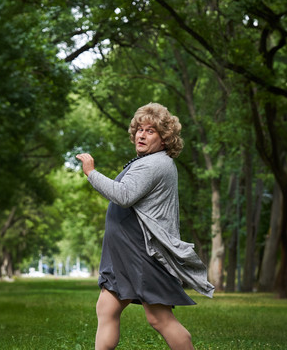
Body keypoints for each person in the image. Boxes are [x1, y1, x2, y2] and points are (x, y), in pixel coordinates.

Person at [75, 103, 214, 350]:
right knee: (106, 308)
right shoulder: (149, 162)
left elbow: (124, 195)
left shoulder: (154, 164)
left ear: (164, 139)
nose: (141, 134)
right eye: (139, 129)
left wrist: (91, 173)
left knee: (160, 318)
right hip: (125, 253)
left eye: (150, 131)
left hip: (141, 253)